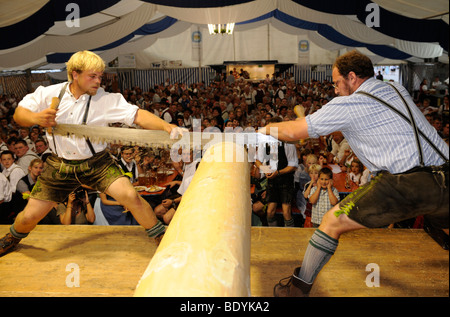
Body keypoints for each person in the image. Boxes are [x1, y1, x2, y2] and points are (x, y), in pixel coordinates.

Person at [258, 50, 449, 296]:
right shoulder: (396, 89)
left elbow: (295, 132)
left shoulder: (350, 104)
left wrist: (263, 128)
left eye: (337, 83)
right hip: (446, 175)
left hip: (405, 183)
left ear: (351, 77)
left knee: (330, 222)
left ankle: (296, 289)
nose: (336, 90)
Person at [0, 50, 186, 257]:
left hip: (97, 163)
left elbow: (138, 115)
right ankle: (13, 237)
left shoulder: (106, 99)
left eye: (100, 76)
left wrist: (166, 127)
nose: (98, 81)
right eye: (93, 76)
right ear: (75, 74)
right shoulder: (48, 93)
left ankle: (159, 235)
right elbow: (19, 114)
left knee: (130, 196)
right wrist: (36, 118)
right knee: (29, 217)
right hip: (59, 165)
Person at [255, 117, 298, 227]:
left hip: (286, 180)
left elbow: (293, 166)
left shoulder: (288, 142)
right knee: (270, 212)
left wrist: (278, 173)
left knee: (286, 212)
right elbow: (257, 160)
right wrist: (265, 170)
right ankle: (273, 235)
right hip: (272, 180)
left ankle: (289, 236)